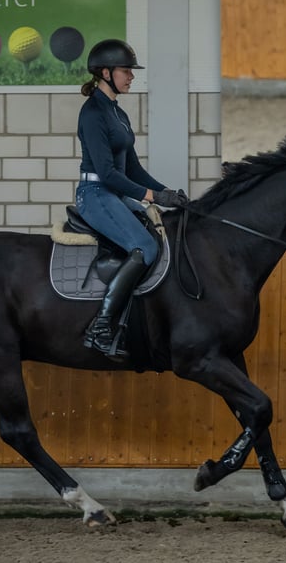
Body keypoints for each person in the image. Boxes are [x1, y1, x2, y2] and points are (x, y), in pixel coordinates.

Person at [76, 38, 188, 357]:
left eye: (130, 71)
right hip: (95, 193)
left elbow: (133, 169)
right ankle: (101, 328)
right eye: (126, 70)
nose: (131, 76)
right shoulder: (93, 113)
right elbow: (108, 173)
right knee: (145, 246)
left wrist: (168, 194)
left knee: (159, 234)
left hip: (113, 193)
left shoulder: (117, 113)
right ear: (105, 73)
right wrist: (152, 195)